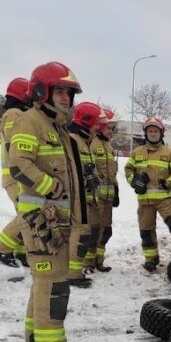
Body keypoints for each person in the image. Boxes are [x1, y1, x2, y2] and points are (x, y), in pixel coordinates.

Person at [9, 61, 87, 342]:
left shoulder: (58, 128)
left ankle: (35, 338)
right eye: (60, 92)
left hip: (54, 221)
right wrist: (50, 186)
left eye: (69, 93)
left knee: (43, 281)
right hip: (42, 221)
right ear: (43, 92)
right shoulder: (31, 122)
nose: (66, 98)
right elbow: (19, 164)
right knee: (53, 284)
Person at [124, 117, 171, 271]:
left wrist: (169, 182)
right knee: (146, 232)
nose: (153, 133)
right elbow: (128, 170)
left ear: (161, 133)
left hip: (164, 199)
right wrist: (134, 182)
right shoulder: (136, 153)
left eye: (155, 131)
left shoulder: (169, 153)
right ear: (145, 133)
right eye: (150, 131)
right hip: (144, 202)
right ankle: (151, 260)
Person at [0, 77, 32, 267]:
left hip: (19, 175)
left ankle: (22, 252)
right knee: (26, 214)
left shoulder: (17, 114)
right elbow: (16, 146)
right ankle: (1, 249)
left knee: (28, 215)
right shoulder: (14, 115)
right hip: (16, 176)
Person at [67, 102, 102, 288]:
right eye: (96, 123)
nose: (98, 127)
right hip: (76, 198)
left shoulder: (84, 141)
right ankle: (72, 274)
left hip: (85, 198)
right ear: (87, 122)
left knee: (84, 234)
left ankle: (74, 271)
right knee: (80, 234)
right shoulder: (73, 140)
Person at [90, 109, 120, 272]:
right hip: (96, 199)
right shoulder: (92, 144)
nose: (111, 131)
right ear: (100, 126)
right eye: (109, 127)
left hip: (108, 199)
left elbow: (112, 172)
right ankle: (88, 264)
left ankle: (98, 261)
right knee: (93, 231)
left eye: (113, 128)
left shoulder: (109, 146)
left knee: (106, 231)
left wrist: (116, 190)